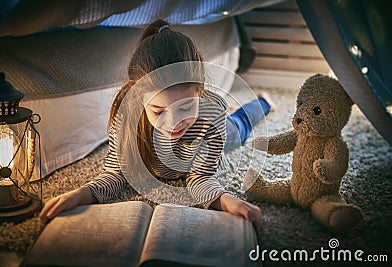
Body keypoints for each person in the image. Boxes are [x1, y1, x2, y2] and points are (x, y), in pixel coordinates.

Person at [39, 19, 275, 229]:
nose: (173, 123)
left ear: (200, 92)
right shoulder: (126, 115)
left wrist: (226, 200)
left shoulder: (211, 113)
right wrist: (83, 193)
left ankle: (264, 102)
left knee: (240, 128)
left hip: (216, 129)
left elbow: (200, 177)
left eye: (185, 107)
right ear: (138, 98)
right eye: (158, 110)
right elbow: (116, 173)